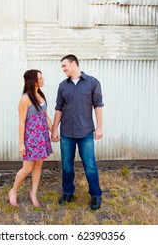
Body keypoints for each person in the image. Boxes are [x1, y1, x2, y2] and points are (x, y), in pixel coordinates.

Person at [51, 54, 104, 210]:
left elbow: (98, 106)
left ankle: (96, 195)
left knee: (90, 165)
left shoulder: (92, 83)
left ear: (73, 64)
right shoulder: (62, 86)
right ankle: (68, 192)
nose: (63, 69)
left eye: (64, 66)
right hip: (67, 132)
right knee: (66, 165)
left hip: (85, 132)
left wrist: (99, 127)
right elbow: (58, 108)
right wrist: (54, 129)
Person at [8, 69, 53, 207]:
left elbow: (45, 116)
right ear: (33, 81)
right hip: (31, 138)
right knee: (27, 168)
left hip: (42, 136)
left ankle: (33, 193)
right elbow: (21, 122)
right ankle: (13, 191)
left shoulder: (41, 95)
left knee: (39, 165)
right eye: (40, 78)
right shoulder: (25, 99)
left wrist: (53, 131)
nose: (43, 79)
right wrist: (21, 143)